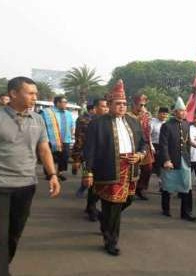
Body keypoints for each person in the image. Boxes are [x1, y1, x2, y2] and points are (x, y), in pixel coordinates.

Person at [0, 76, 61, 276]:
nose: (34, 97)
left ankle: (1, 267)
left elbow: (44, 150)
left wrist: (53, 175)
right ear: (13, 94)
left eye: (36, 94)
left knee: (13, 234)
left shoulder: (37, 119)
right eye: (30, 93)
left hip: (25, 185)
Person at [83, 80, 147, 256]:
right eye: (118, 104)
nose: (122, 107)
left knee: (127, 201)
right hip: (109, 168)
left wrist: (140, 155)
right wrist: (87, 171)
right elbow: (89, 150)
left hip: (131, 169)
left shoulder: (134, 122)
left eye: (124, 104)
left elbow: (143, 144)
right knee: (113, 205)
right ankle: (110, 240)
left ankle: (105, 219)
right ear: (109, 104)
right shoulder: (97, 123)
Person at [159, 97, 196, 221]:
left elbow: (187, 142)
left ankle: (186, 213)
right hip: (171, 159)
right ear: (175, 112)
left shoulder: (186, 124)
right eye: (181, 111)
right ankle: (166, 209)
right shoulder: (166, 126)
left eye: (185, 111)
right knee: (167, 185)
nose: (184, 113)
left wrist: (189, 157)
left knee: (187, 185)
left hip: (184, 160)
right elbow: (163, 144)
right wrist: (166, 160)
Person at [71, 98, 109, 221]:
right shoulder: (84, 120)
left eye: (107, 106)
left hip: (105, 158)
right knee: (93, 184)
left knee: (101, 185)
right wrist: (77, 159)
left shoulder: (110, 121)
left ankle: (90, 206)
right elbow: (79, 139)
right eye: (103, 106)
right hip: (90, 157)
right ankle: (91, 208)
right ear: (95, 108)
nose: (106, 109)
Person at [40, 96, 74, 181]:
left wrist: (71, 134)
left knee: (64, 157)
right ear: (58, 103)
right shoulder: (47, 113)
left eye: (66, 102)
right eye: (64, 102)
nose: (66, 104)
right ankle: (49, 173)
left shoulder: (68, 114)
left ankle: (59, 173)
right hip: (51, 139)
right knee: (50, 156)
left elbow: (71, 125)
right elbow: (41, 125)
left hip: (65, 139)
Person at [128, 94, 154, 200]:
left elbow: (148, 132)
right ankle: (129, 189)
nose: (143, 107)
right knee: (130, 168)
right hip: (131, 145)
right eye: (141, 105)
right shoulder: (127, 116)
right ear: (134, 105)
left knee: (148, 168)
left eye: (144, 105)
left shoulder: (146, 116)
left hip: (145, 145)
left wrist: (151, 145)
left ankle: (141, 188)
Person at [150, 107, 169, 182]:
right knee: (153, 167)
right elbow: (148, 135)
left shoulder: (167, 123)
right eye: (162, 113)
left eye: (166, 114)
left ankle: (162, 183)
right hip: (154, 146)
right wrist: (151, 146)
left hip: (164, 147)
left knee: (163, 166)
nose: (164, 115)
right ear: (159, 114)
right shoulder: (152, 122)